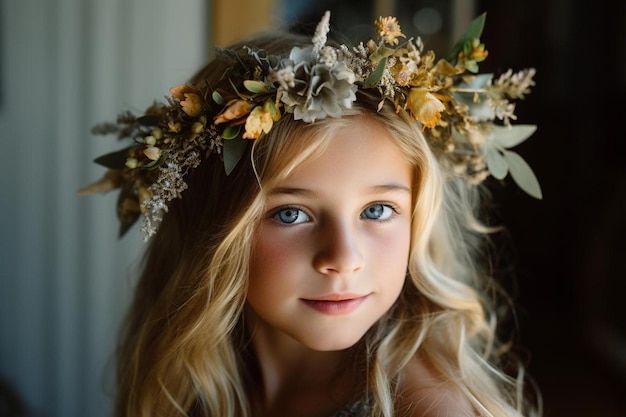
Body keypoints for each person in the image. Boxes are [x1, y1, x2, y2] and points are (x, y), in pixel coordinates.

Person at [80, 11, 542, 417]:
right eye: (291, 215)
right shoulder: (191, 385)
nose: (343, 258)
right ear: (211, 229)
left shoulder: (428, 409)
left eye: (378, 210)